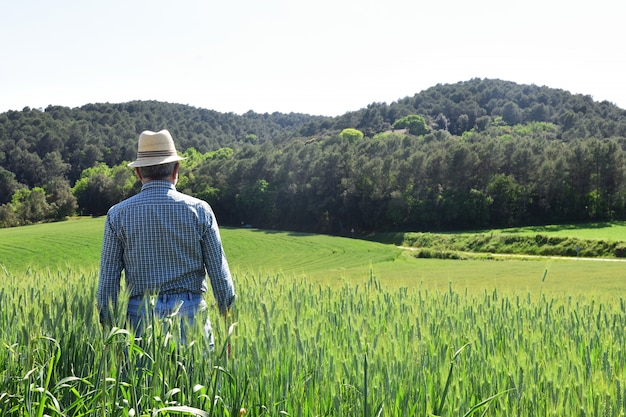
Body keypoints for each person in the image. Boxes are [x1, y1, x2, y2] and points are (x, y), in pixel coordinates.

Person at [97, 129, 235, 350]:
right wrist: (229, 325)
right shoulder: (200, 210)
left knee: (143, 384)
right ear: (176, 169)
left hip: (138, 320)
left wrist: (110, 332)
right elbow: (219, 275)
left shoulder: (117, 214)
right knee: (196, 381)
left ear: (139, 173)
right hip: (191, 318)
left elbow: (108, 282)